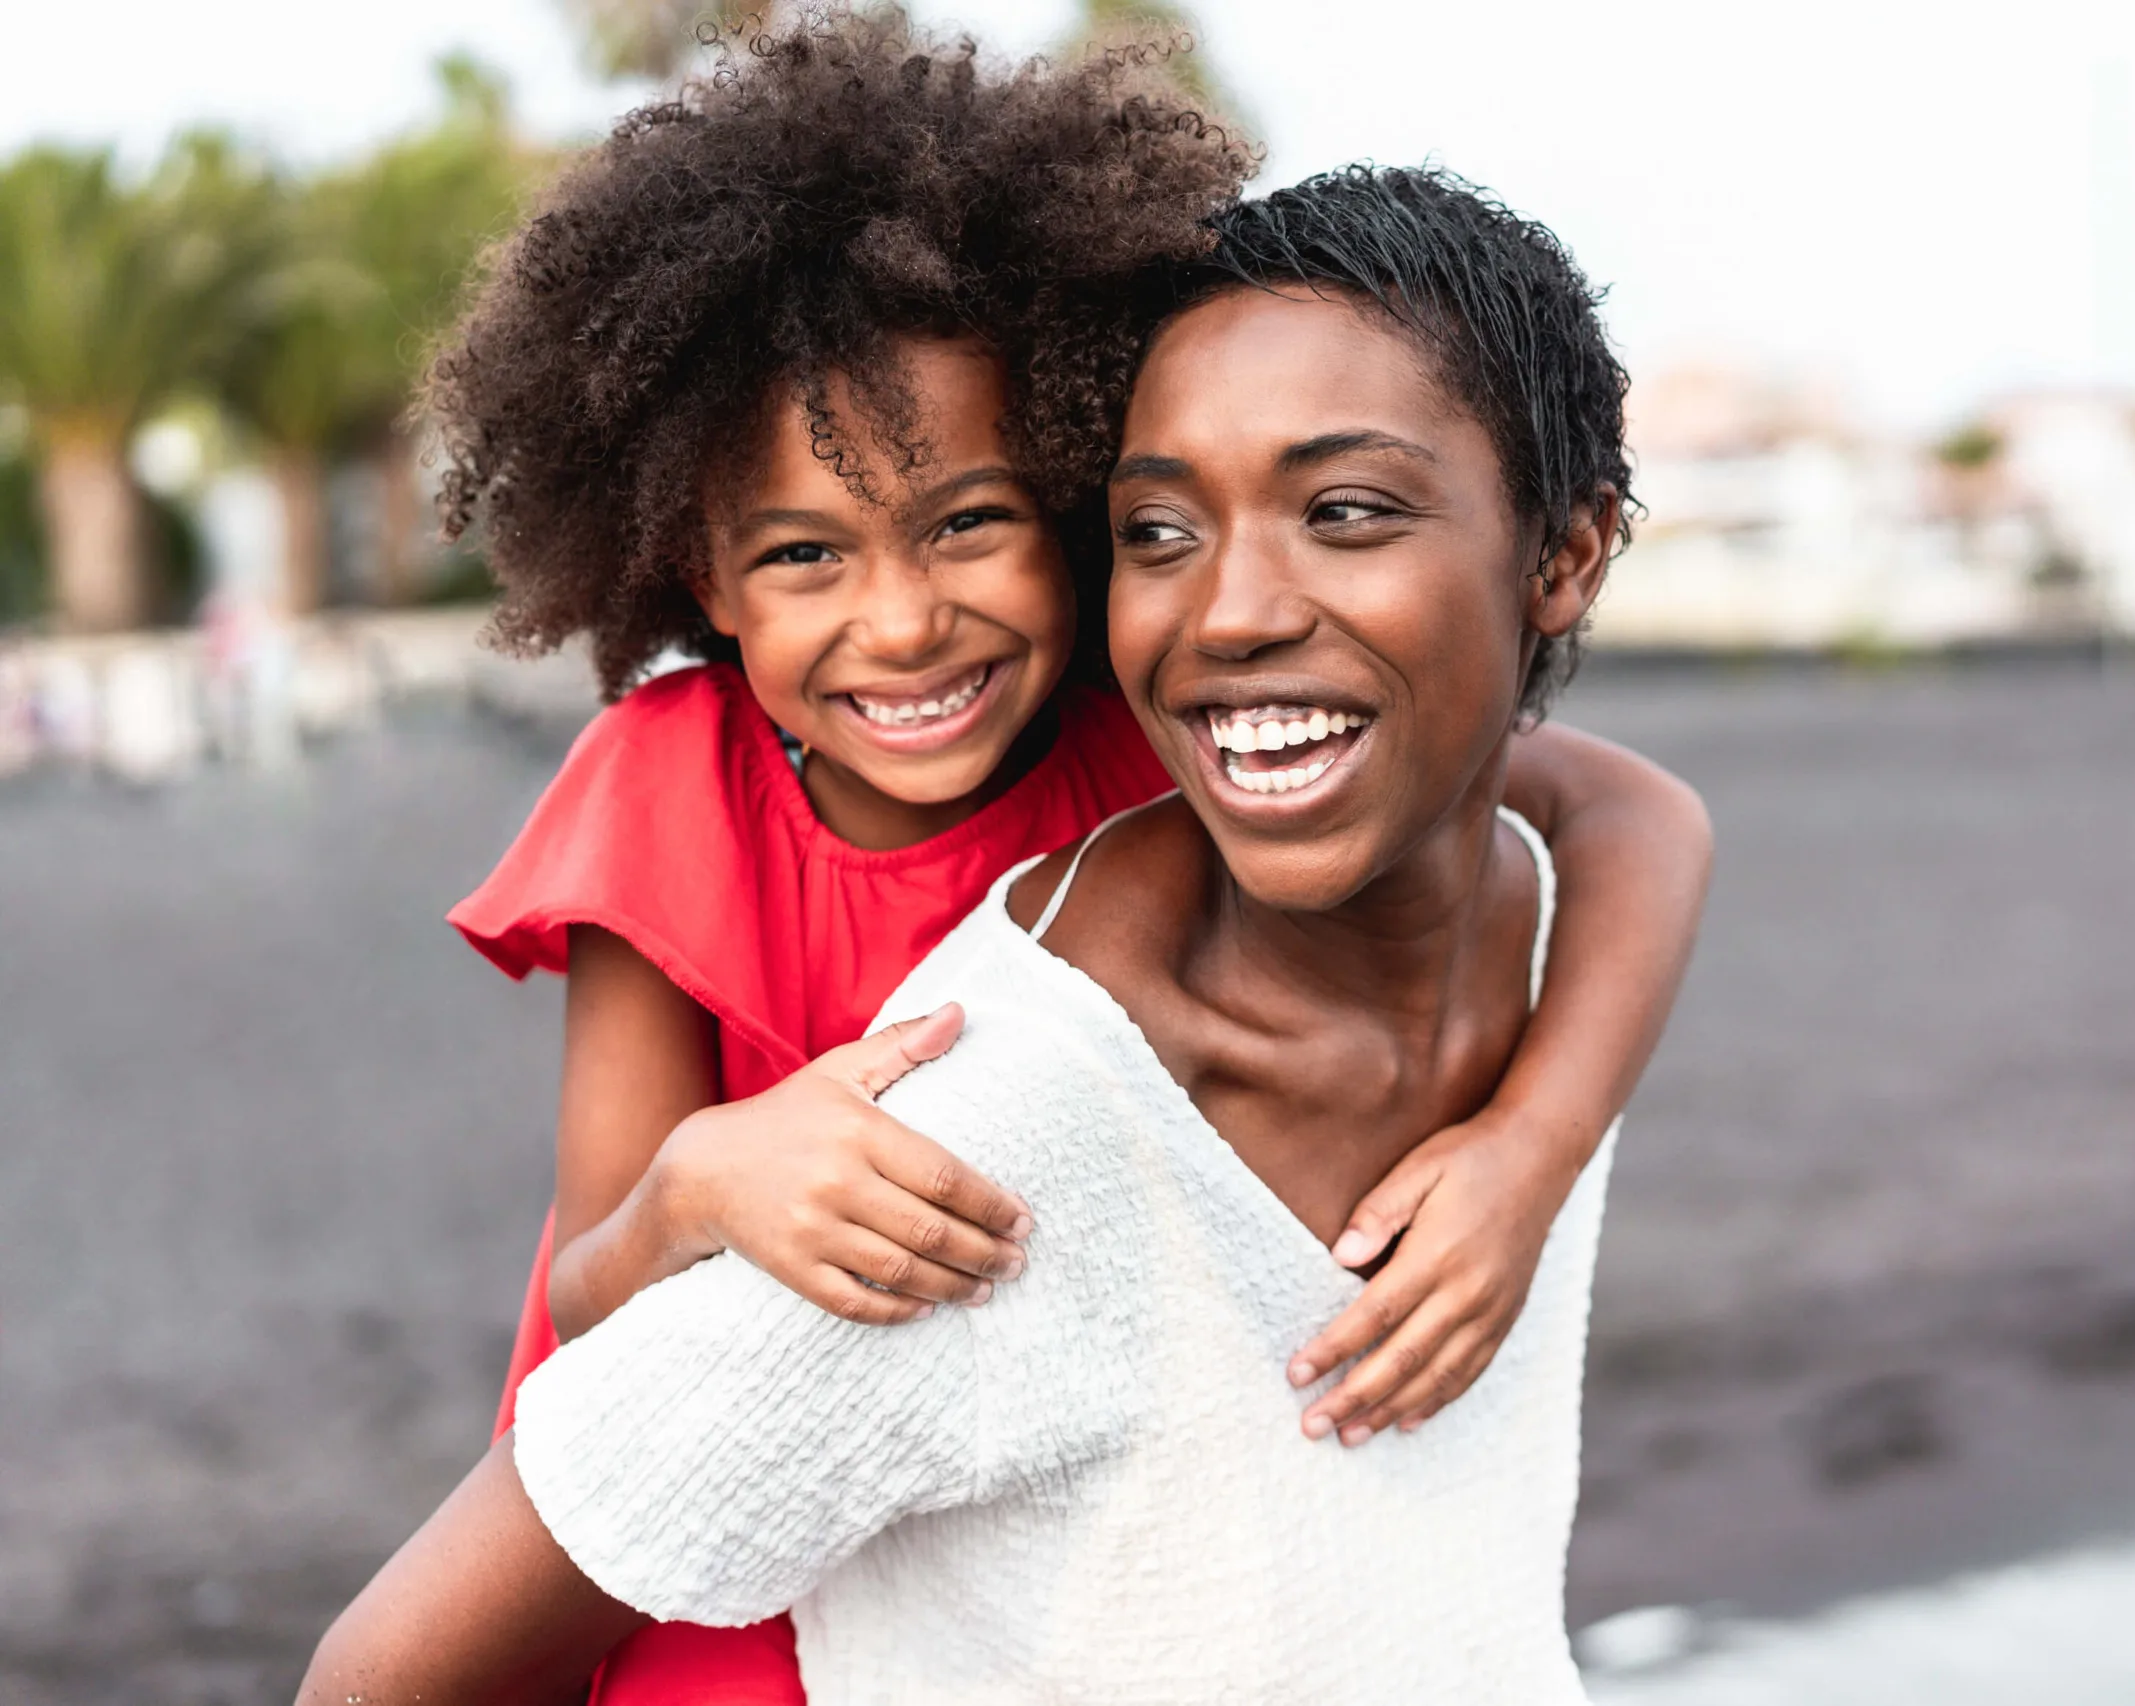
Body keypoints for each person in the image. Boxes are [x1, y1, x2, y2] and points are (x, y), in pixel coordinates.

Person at [415, 11, 1710, 1701]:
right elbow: (595, 1300)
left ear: (1069, 507)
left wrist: (1531, 1150)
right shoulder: (676, 793)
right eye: (805, 554)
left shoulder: (1162, 718)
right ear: (701, 579)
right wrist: (702, 1182)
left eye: (969, 521)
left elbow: (1632, 811)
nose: (901, 620)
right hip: (711, 1544)